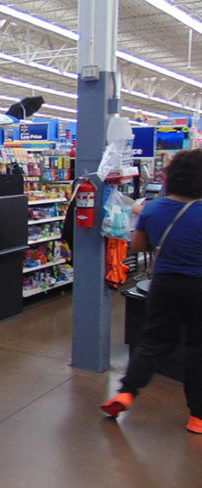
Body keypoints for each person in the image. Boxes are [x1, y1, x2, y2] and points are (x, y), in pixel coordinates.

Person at [101, 149, 202, 434]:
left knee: (152, 341)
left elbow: (138, 247)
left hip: (165, 283)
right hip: (199, 285)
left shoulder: (153, 209)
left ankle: (126, 392)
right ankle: (197, 417)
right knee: (198, 348)